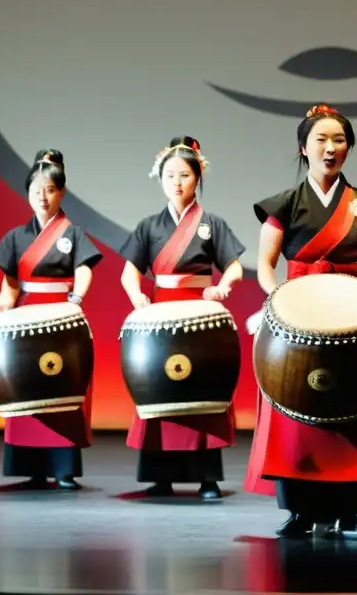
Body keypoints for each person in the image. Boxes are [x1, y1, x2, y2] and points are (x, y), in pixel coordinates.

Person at [243, 103, 357, 541]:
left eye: (340, 140)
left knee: (353, 411)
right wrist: (281, 302)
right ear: (303, 148)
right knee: (297, 414)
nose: (331, 148)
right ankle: (299, 512)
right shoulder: (285, 204)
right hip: (299, 316)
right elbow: (266, 265)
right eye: (321, 140)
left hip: (353, 318)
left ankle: (350, 512)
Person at [119, 136, 245, 500]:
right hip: (160, 317)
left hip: (200, 317)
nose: (177, 182)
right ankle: (161, 476)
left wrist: (223, 287)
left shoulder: (212, 224)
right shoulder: (148, 226)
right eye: (170, 175)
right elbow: (129, 273)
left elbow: (234, 267)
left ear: (197, 177)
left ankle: (207, 477)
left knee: (202, 395)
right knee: (160, 392)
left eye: (184, 175)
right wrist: (137, 297)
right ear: (160, 179)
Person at [0, 150, 103, 490]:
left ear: (61, 193)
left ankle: (64, 467)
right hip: (25, 317)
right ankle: (30, 465)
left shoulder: (72, 233)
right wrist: (4, 305)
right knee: (25, 387)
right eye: (37, 189)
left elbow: (83, 269)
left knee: (62, 391)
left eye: (50, 189)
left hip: (62, 318)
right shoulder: (15, 237)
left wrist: (77, 300)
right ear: (27, 192)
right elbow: (9, 281)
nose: (43, 196)